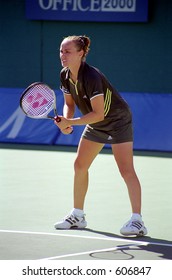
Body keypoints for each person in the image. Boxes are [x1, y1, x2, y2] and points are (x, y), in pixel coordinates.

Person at [54, 35, 148, 236]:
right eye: (61, 51)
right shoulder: (64, 74)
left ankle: (137, 221)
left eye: (67, 51)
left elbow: (99, 113)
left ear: (81, 53)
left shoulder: (92, 77)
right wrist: (66, 121)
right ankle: (77, 215)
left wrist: (71, 123)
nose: (63, 55)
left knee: (126, 170)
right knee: (80, 165)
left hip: (117, 120)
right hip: (95, 123)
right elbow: (69, 105)